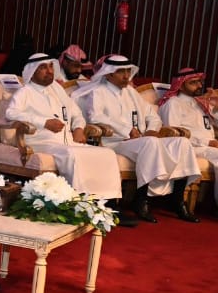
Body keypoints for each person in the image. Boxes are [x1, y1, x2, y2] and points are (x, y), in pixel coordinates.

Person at [74, 55, 200, 222]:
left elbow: (152, 116)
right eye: (121, 72)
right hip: (115, 142)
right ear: (109, 74)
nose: (127, 76)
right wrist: (127, 130)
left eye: (128, 71)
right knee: (150, 143)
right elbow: (96, 117)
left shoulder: (131, 92)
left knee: (181, 143)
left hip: (142, 140)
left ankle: (177, 200)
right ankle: (141, 200)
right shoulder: (98, 92)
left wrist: (152, 130)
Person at [2, 53, 127, 208]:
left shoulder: (57, 90)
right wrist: (44, 122)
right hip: (41, 141)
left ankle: (105, 203)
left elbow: (76, 113)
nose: (49, 71)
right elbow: (11, 113)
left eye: (51, 66)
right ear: (32, 72)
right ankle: (77, 203)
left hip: (66, 141)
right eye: (43, 68)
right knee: (73, 155)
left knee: (106, 153)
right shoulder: (25, 92)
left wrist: (78, 128)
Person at [158, 68, 218, 183]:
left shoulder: (201, 103)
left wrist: (216, 105)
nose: (199, 85)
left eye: (199, 81)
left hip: (210, 146)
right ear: (180, 85)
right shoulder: (173, 104)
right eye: (193, 82)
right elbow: (174, 135)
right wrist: (207, 142)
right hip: (190, 148)